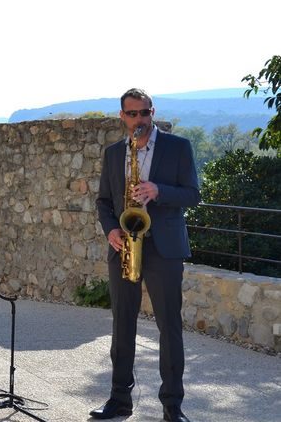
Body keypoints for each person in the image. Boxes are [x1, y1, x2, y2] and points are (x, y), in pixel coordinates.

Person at [92, 88, 200, 422]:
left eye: (145, 113)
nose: (139, 120)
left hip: (164, 248)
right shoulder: (113, 153)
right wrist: (111, 229)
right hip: (124, 245)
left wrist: (159, 191)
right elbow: (104, 202)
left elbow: (193, 194)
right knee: (122, 324)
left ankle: (172, 407)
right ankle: (119, 399)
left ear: (152, 112)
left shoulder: (178, 147)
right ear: (122, 116)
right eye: (132, 114)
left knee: (170, 327)